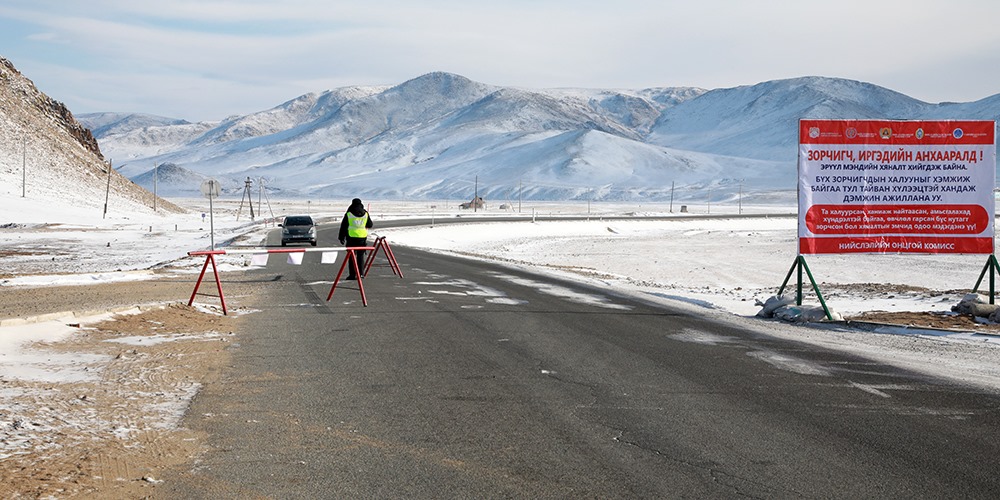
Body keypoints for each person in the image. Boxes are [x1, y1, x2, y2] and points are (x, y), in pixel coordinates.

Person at [338, 198, 374, 280]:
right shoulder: (365, 213)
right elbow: (370, 224)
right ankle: (361, 274)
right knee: (360, 257)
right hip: (362, 238)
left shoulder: (349, 213)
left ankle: (352, 274)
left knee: (351, 257)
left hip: (351, 238)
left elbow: (343, 226)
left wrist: (341, 237)